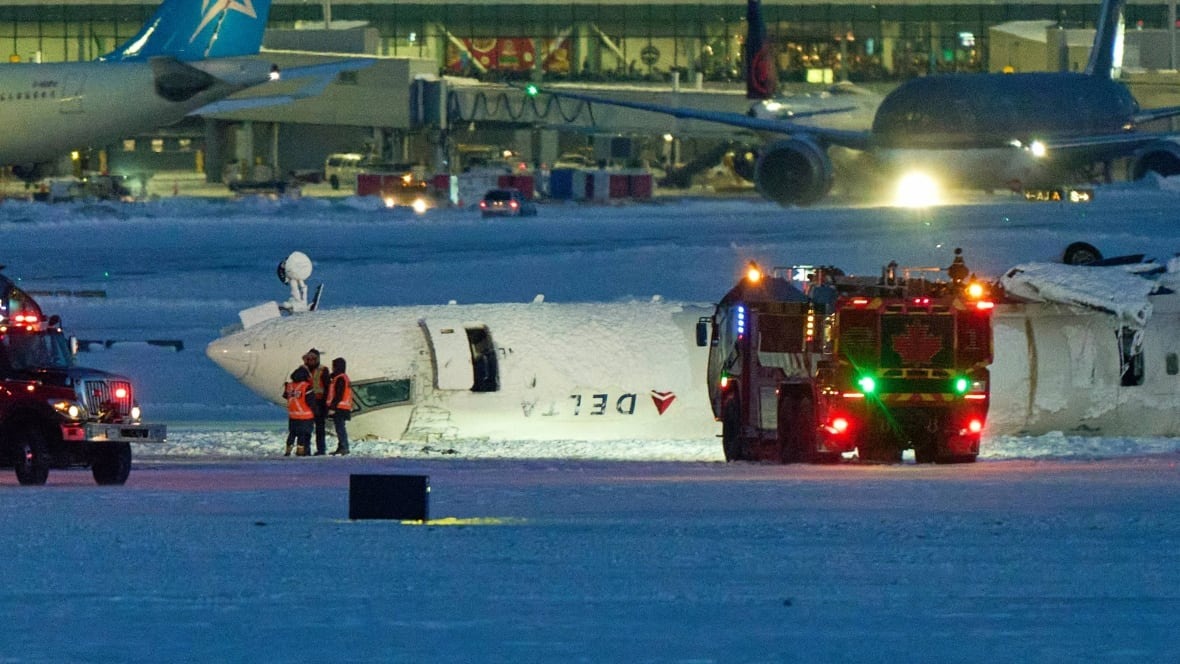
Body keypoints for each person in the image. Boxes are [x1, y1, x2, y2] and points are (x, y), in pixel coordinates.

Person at [302, 348, 330, 456]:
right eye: (308, 358)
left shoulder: (323, 370)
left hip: (319, 402)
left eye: (313, 358)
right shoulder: (303, 370)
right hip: (307, 402)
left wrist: (326, 404)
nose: (310, 360)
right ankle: (306, 449)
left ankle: (321, 449)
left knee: (319, 428)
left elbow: (327, 387)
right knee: (307, 428)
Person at [283, 367, 315, 456]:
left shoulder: (290, 386)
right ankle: (300, 451)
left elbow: (286, 396)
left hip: (293, 415)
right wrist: (316, 411)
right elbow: (311, 401)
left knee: (292, 433)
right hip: (305, 416)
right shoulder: (306, 386)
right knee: (303, 435)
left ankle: (288, 450)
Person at [326, 357, 352, 455]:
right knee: (340, 428)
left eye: (333, 366)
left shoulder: (340, 378)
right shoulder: (341, 377)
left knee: (340, 428)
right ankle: (341, 447)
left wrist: (332, 407)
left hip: (340, 408)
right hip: (342, 407)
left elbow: (338, 394)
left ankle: (344, 447)